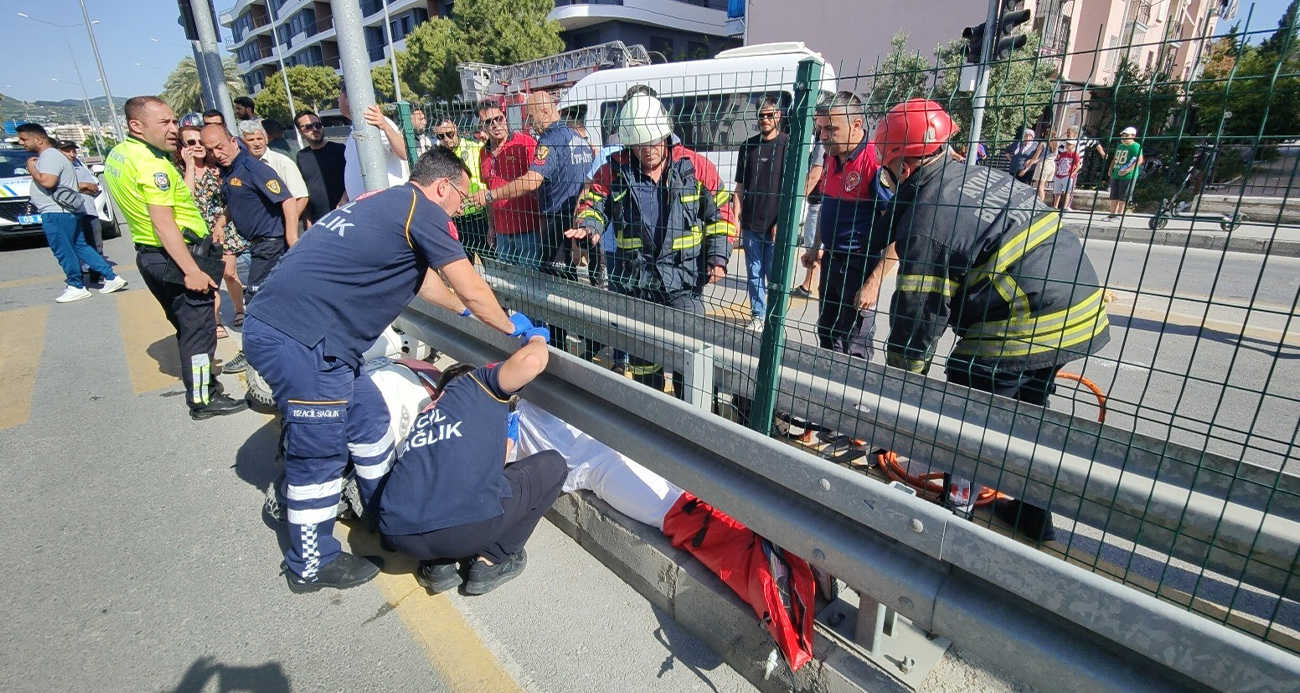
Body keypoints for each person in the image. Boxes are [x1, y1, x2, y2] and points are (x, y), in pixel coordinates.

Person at [240, 146, 531, 593]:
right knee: (318, 454)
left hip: (310, 337)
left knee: (369, 418)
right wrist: (509, 329)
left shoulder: (383, 203)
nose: (460, 207)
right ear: (442, 186)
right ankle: (311, 562)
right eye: (460, 196)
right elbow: (469, 285)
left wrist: (468, 316)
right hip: (303, 341)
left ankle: (381, 514)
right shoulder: (422, 208)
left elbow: (430, 282)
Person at [874, 98, 1111, 541]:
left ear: (902, 165)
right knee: (1027, 419)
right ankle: (1031, 519)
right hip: (1080, 306)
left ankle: (954, 523)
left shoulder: (928, 214)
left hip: (1027, 319)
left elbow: (919, 317)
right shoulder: (980, 176)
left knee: (969, 408)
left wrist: (902, 392)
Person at [566, 93, 735, 398]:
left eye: (653, 143)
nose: (647, 152)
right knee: (645, 363)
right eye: (639, 146)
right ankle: (653, 416)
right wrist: (588, 225)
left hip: (684, 284)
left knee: (691, 358)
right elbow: (593, 203)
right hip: (638, 284)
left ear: (666, 134)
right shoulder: (613, 171)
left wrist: (718, 255)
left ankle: (693, 424)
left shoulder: (697, 168)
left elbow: (721, 214)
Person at [378, 336, 565, 596]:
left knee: (436, 482)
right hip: (464, 533)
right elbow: (532, 362)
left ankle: (436, 566)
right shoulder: (477, 385)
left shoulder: (426, 414)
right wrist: (536, 338)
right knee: (553, 466)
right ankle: (491, 561)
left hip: (398, 533)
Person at [102, 96, 247, 419]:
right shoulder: (153, 165)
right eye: (164, 123)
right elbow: (163, 222)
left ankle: (203, 387)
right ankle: (203, 398)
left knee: (187, 326)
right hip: (176, 256)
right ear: (136, 125)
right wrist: (190, 271)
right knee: (199, 332)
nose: (174, 129)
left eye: (173, 120)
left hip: (151, 255)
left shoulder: (120, 154)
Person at [799, 91, 894, 361]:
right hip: (831, 262)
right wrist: (816, 247)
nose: (823, 136)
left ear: (856, 125)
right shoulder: (831, 158)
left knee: (852, 344)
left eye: (831, 129)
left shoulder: (874, 163)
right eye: (820, 129)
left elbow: (896, 228)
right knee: (827, 334)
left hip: (859, 266)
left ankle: (852, 403)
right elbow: (827, 206)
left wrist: (874, 282)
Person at [199, 123, 297, 376]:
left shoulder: (254, 168)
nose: (216, 153)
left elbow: (286, 199)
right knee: (278, 299)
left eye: (220, 146)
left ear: (233, 141)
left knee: (254, 301)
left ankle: (252, 354)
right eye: (210, 150)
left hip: (271, 244)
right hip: (257, 245)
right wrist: (221, 222)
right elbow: (235, 202)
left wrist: (292, 237)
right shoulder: (231, 171)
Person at [469, 90, 593, 282]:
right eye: (488, 122)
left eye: (531, 117)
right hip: (572, 219)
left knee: (548, 284)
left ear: (545, 112)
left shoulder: (542, 141)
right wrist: (492, 225)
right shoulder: (574, 137)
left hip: (550, 224)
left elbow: (533, 180)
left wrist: (490, 195)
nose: (529, 124)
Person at [17, 123, 126, 303]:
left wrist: (32, 169)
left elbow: (48, 181)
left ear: (38, 139)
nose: (21, 143)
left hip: (57, 212)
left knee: (63, 249)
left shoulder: (49, 156)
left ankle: (76, 285)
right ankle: (111, 277)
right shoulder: (54, 156)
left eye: (23, 139)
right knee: (80, 246)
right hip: (65, 211)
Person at [177, 124, 248, 339]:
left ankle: (239, 309)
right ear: (182, 147)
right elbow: (186, 197)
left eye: (200, 142)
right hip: (198, 232)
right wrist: (190, 167)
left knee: (229, 272)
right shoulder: (178, 172)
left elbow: (232, 196)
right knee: (210, 279)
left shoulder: (218, 167)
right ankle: (216, 321)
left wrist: (223, 222)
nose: (197, 146)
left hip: (223, 226)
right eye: (191, 143)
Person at [734, 97, 788, 331]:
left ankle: (775, 318)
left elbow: (793, 190)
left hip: (775, 225)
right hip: (750, 224)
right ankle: (758, 314)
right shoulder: (747, 147)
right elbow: (739, 187)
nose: (764, 119)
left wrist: (782, 221)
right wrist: (736, 219)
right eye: (761, 115)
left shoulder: (788, 145)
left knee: (773, 274)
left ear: (779, 116)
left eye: (769, 115)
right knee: (754, 273)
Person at [474, 100, 540, 268]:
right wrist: (491, 226)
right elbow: (489, 190)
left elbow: (539, 182)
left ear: (505, 118)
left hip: (528, 229)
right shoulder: (483, 153)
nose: (496, 125)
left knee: (529, 283)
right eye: (489, 122)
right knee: (509, 282)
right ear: (483, 126)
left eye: (499, 119)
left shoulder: (525, 143)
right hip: (502, 233)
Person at [339, 82, 409, 202]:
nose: (337, 99)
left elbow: (404, 153)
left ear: (348, 99)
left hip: (388, 203)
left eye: (339, 95)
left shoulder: (377, 124)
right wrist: (345, 197)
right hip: (365, 207)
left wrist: (385, 126)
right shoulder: (354, 131)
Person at [238, 119, 309, 232]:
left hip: (283, 231)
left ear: (266, 138)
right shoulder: (241, 166)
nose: (256, 143)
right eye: (251, 140)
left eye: (259, 138)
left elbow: (301, 198)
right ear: (242, 142)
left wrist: (287, 225)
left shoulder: (282, 162)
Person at [432, 116, 488, 258]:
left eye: (449, 134)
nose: (446, 139)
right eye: (440, 136)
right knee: (461, 262)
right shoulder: (438, 158)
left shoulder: (475, 148)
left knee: (490, 262)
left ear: (456, 129)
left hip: (479, 216)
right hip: (454, 219)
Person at [55, 139, 108, 279]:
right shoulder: (57, 169)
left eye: (73, 151)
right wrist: (82, 185)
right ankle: (78, 276)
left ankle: (98, 273)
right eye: (67, 151)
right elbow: (58, 187)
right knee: (76, 244)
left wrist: (83, 187)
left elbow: (94, 187)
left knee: (96, 243)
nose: (72, 154)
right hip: (71, 212)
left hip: (89, 210)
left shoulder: (79, 166)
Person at [293, 111, 347, 224]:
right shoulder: (301, 156)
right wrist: (308, 223)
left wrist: (344, 200)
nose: (315, 129)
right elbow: (304, 191)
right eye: (308, 126)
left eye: (318, 125)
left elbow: (353, 178)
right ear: (300, 131)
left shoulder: (340, 150)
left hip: (344, 214)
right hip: (318, 221)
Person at [792, 140, 825, 300]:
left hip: (818, 203)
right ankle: (811, 284)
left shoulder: (822, 143)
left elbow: (814, 176)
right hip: (822, 202)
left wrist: (797, 200)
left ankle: (808, 284)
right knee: (817, 246)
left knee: (814, 246)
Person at [1102, 126, 1143, 220]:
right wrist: (1110, 168)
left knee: (1123, 196)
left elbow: (1139, 160)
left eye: (1126, 136)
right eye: (1123, 136)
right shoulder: (1120, 146)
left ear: (1133, 136)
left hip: (1128, 175)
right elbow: (1115, 158)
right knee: (1114, 194)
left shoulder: (1135, 146)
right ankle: (1112, 214)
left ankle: (1119, 215)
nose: (1124, 138)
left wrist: (1128, 170)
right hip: (1117, 173)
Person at [1052, 128, 1083, 211]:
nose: (1068, 146)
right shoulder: (1062, 154)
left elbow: (1078, 165)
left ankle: (1065, 207)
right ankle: (1055, 206)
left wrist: (1072, 174)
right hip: (1059, 174)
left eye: (1069, 145)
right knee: (1057, 191)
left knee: (1067, 191)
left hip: (1068, 174)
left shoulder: (1075, 154)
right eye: (1067, 144)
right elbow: (1058, 162)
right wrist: (1056, 172)